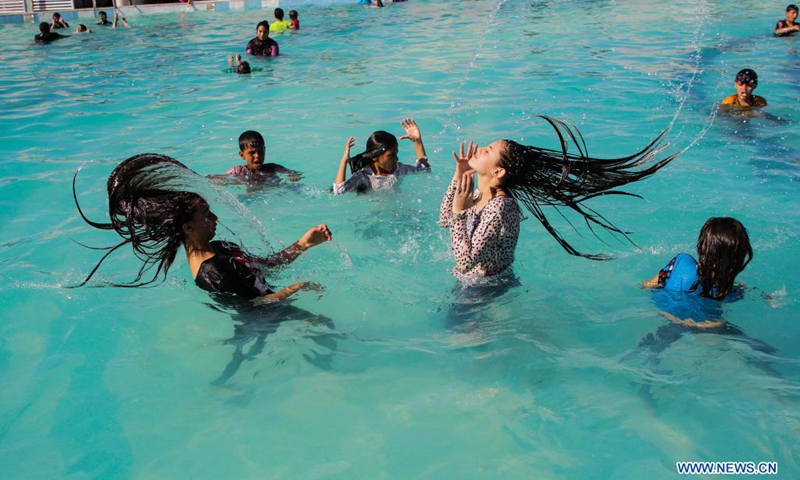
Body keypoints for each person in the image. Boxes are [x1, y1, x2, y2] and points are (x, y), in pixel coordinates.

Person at [438, 116, 680, 278]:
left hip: (486, 292)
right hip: (471, 286)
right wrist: (457, 177)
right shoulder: (480, 195)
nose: (479, 148)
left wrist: (460, 214)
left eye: (488, 150)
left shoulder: (500, 207)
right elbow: (444, 220)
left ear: (498, 172)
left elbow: (465, 262)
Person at [72, 154, 331, 303]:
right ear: (188, 227)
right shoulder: (212, 273)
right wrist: (298, 287)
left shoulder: (220, 248)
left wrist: (303, 244)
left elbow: (268, 265)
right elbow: (257, 306)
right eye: (206, 215)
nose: (215, 217)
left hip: (284, 308)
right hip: (274, 325)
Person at [641, 217, 753, 328]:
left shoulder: (681, 263)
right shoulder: (728, 291)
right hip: (702, 324)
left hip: (669, 318)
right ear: (738, 258)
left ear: (702, 246)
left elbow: (647, 285)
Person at [333, 118, 430, 194]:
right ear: (375, 156)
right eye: (391, 155)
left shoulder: (399, 169)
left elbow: (424, 170)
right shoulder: (364, 176)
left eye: (396, 153)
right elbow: (339, 191)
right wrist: (344, 161)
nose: (396, 159)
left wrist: (417, 142)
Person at [223, 130, 301, 181]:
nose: (257, 155)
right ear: (242, 155)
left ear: (265, 150)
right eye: (252, 152)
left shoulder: (272, 168)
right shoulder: (238, 171)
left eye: (260, 151)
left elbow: (292, 172)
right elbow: (218, 178)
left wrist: (294, 176)